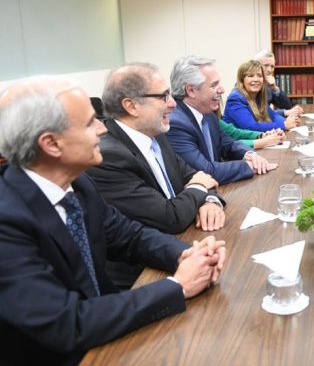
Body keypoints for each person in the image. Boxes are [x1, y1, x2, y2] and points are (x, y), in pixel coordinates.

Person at [0, 76, 225, 364]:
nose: (103, 128)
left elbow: (129, 236)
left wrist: (188, 255)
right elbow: (67, 324)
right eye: (89, 123)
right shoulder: (6, 221)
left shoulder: (79, 184)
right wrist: (178, 285)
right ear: (51, 144)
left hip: (107, 333)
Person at [87, 64, 227, 287]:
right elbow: (169, 218)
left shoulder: (156, 134)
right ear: (131, 106)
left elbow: (196, 175)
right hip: (141, 276)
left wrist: (210, 200)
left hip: (179, 246)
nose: (173, 103)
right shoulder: (109, 157)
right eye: (163, 96)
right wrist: (199, 188)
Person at [167, 56, 277, 185]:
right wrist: (250, 166)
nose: (222, 90)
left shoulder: (207, 114)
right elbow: (205, 172)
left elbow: (228, 144)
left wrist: (249, 154)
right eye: (214, 85)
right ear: (191, 90)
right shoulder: (175, 124)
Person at [223, 60, 300, 131]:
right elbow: (251, 127)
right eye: (251, 76)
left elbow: (273, 115)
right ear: (242, 80)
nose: (256, 79)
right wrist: (284, 125)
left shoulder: (257, 96)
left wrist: (288, 121)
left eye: (260, 76)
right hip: (238, 141)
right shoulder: (235, 99)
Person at [254, 49, 303, 118]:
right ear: (255, 66)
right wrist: (285, 112)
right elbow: (258, 113)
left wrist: (275, 88)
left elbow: (287, 106)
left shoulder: (268, 84)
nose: (269, 70)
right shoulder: (250, 84)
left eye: (272, 66)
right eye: (266, 65)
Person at [218, 117, 285, 150]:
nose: (221, 94)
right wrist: (264, 142)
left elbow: (234, 132)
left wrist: (262, 135)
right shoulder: (235, 98)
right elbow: (251, 126)